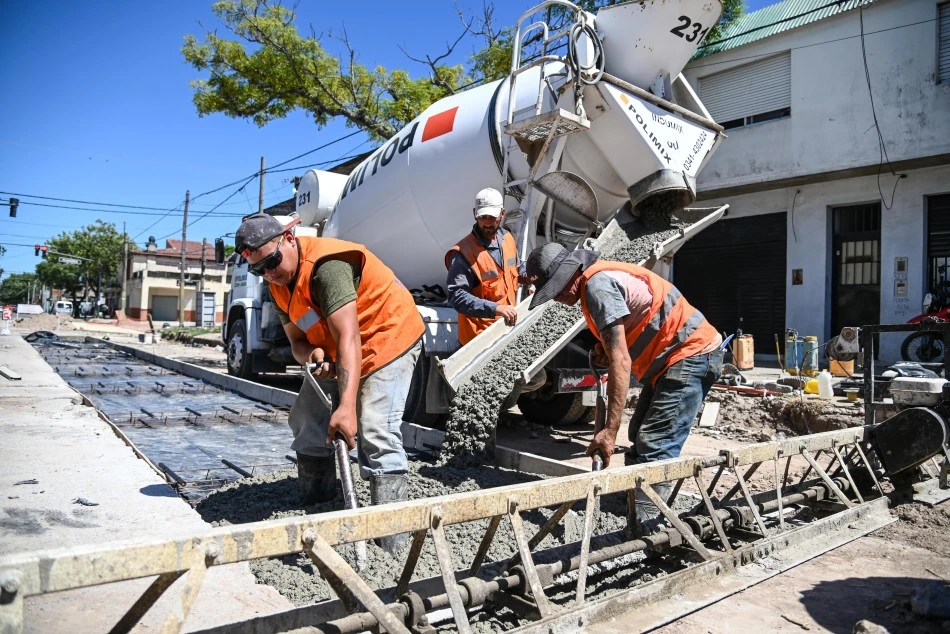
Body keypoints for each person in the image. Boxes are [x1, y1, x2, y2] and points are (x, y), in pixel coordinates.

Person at [235, 214, 424, 552]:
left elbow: (350, 336)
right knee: (307, 420)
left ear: (289, 239)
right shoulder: (277, 285)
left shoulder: (327, 267)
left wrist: (347, 408)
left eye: (273, 261)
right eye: (258, 269)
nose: (269, 272)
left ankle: (392, 542)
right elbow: (296, 341)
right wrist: (312, 354)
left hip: (387, 336)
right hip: (343, 350)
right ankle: (320, 508)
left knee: (376, 429)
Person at [525, 242, 723, 533]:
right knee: (640, 434)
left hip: (691, 353)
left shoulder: (597, 288)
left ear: (569, 274)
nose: (555, 298)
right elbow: (628, 330)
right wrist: (602, 346)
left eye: (554, 289)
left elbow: (621, 360)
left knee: (656, 443)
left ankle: (649, 528)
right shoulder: (593, 285)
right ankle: (634, 503)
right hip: (672, 360)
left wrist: (608, 431)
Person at [445, 187, 529, 345]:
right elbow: (457, 296)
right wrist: (495, 308)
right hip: (478, 339)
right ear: (474, 214)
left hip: (507, 330)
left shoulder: (507, 239)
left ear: (502, 213)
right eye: (483, 216)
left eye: (492, 216)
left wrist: (536, 276)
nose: (487, 222)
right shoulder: (463, 254)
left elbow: (517, 270)